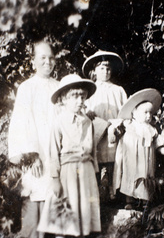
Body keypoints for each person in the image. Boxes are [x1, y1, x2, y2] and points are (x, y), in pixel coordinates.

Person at [38, 74, 101, 237]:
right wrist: (55, 178)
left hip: (85, 169)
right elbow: (53, 152)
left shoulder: (87, 121)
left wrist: (94, 173)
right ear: (64, 99)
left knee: (83, 209)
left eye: (82, 96)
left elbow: (92, 149)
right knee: (66, 208)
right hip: (68, 171)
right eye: (74, 96)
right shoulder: (59, 122)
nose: (80, 100)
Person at [8, 40, 59, 238]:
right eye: (42, 58)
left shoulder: (59, 87)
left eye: (51, 58)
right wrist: (32, 154)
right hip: (37, 156)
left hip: (55, 156)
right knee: (34, 206)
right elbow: (21, 122)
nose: (48, 62)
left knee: (55, 204)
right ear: (33, 62)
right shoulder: (27, 87)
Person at [112, 88, 164, 210]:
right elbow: (121, 140)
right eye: (145, 112)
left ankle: (145, 201)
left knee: (146, 176)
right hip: (132, 159)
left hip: (147, 159)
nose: (148, 116)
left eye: (150, 113)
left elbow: (157, 143)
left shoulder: (151, 129)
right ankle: (129, 200)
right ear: (134, 113)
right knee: (130, 176)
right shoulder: (130, 127)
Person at [82, 50, 127, 201]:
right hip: (98, 130)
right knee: (99, 158)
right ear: (94, 70)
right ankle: (102, 191)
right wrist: (89, 114)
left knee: (115, 158)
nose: (105, 71)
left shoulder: (118, 90)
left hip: (115, 130)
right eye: (101, 68)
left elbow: (125, 110)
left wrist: (120, 124)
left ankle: (115, 192)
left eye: (108, 68)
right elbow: (85, 109)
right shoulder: (90, 90)